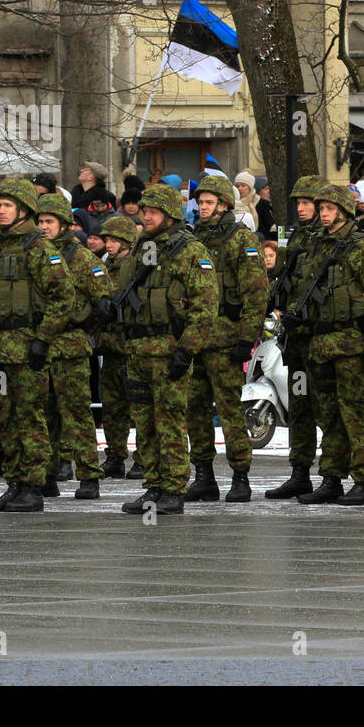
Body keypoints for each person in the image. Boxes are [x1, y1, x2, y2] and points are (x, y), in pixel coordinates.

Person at [0, 179, 76, 512]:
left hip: (27, 348)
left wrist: (42, 339)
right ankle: (14, 483)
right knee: (5, 419)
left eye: (5, 206)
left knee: (30, 418)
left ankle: (34, 485)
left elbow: (64, 298)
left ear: (23, 210)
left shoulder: (39, 248)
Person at [116, 184, 218, 515]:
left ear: (171, 216)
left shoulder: (190, 251)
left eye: (154, 212)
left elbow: (205, 306)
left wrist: (187, 349)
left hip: (169, 349)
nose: (147, 216)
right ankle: (154, 486)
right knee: (144, 422)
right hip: (138, 349)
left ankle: (174, 487)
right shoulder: (140, 249)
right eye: (145, 211)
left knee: (170, 420)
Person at [294, 183, 364, 506]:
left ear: (343, 211)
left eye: (328, 209)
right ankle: (332, 477)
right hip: (321, 342)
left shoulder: (359, 246)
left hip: (350, 342)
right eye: (320, 209)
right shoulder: (317, 245)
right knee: (329, 414)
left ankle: (363, 480)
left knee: (355, 413)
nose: (323, 215)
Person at [184, 175, 270, 503]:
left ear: (223, 205)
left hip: (226, 340)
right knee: (196, 409)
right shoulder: (194, 240)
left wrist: (244, 339)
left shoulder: (241, 239)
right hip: (197, 340)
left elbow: (255, 293)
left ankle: (240, 475)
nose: (202, 208)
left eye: (208, 203)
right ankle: (204, 475)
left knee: (231, 409)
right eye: (200, 202)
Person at [34, 193, 113, 499]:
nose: (43, 227)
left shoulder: (79, 258)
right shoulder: (36, 253)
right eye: (40, 222)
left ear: (64, 225)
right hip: (42, 344)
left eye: (49, 222)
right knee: (45, 414)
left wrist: (88, 329)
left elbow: (104, 298)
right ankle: (48, 474)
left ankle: (89, 476)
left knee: (76, 414)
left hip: (70, 346)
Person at [264, 175, 326, 499]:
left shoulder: (327, 239)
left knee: (326, 407)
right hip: (296, 339)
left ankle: (333, 475)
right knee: (300, 406)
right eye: (298, 203)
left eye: (306, 203)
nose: (300, 208)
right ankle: (300, 471)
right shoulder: (296, 237)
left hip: (318, 338)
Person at [97, 216, 138, 478]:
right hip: (110, 346)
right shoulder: (105, 265)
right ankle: (115, 455)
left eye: (114, 240)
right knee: (112, 407)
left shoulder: (134, 266)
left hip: (130, 346)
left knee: (137, 405)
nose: (109, 245)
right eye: (107, 240)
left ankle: (144, 458)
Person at [235, 170, 276, 241]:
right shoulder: (234, 203)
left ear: (250, 187)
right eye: (237, 186)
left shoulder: (261, 203)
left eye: (243, 185)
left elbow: (269, 225)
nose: (240, 188)